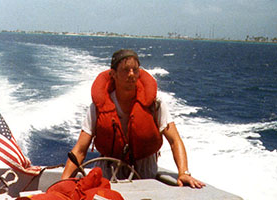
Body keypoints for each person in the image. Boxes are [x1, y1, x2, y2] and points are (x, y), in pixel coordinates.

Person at [61, 49, 205, 188]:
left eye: (135, 70)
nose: (131, 74)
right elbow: (80, 149)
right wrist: (63, 182)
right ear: (113, 74)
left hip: (145, 172)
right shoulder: (98, 106)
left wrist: (183, 172)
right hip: (108, 170)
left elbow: (174, 140)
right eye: (125, 70)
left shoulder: (155, 104)